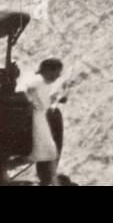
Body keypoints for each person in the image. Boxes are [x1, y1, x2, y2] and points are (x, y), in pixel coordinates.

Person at [18, 57, 65, 185]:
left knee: (48, 151)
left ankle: (47, 179)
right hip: (34, 119)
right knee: (47, 150)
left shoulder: (42, 82)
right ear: (47, 70)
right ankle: (47, 179)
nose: (57, 76)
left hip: (39, 117)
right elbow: (22, 89)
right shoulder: (35, 79)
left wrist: (55, 98)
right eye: (56, 73)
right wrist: (29, 102)